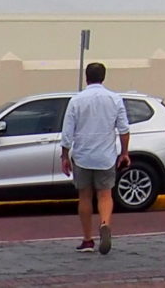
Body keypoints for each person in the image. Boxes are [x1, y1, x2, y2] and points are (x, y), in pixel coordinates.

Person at [60, 63, 130, 257]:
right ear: (103, 77)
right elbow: (124, 129)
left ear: (86, 77)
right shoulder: (115, 99)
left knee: (84, 196)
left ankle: (87, 239)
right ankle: (105, 224)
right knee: (105, 195)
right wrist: (124, 152)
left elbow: (68, 132)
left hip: (83, 155)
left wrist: (64, 155)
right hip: (106, 156)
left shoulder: (76, 101)